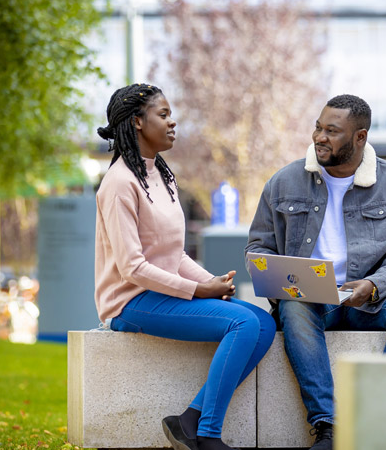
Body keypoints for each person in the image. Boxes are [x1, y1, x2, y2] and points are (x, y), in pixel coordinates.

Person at [246, 94, 386, 450]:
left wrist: (374, 284)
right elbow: (258, 247)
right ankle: (328, 427)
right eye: (318, 128)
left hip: (373, 299)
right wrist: (277, 279)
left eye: (332, 131)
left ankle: (377, 422)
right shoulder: (283, 182)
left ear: (359, 137)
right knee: (293, 306)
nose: (319, 137)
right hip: (310, 298)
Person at [95, 83, 276, 450]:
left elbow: (173, 254)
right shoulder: (118, 184)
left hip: (164, 293)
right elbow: (132, 267)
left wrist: (210, 281)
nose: (173, 122)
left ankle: (189, 419)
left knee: (265, 324)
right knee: (242, 323)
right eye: (163, 115)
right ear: (137, 123)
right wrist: (198, 290)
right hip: (130, 301)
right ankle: (207, 434)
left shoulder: (161, 175)